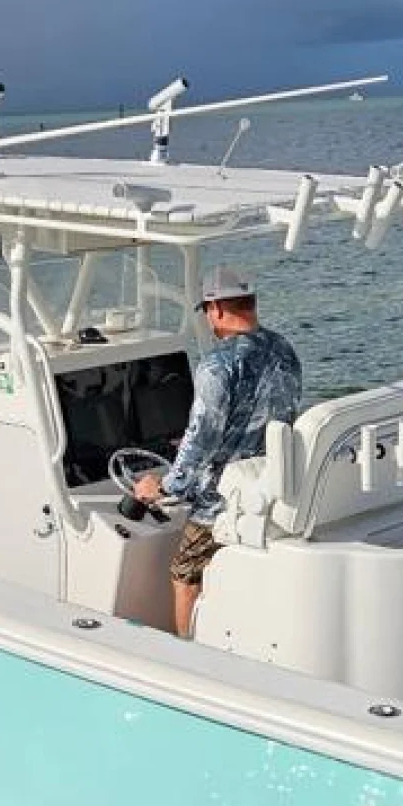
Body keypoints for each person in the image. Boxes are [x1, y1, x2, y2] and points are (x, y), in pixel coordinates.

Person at [133, 265, 302, 636]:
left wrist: (163, 486)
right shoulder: (285, 350)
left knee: (184, 575)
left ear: (218, 308)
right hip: (270, 488)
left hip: (222, 501)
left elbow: (203, 438)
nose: (209, 320)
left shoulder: (217, 365)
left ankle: (187, 652)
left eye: (208, 311)